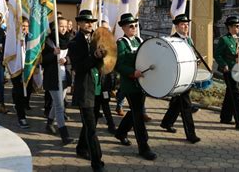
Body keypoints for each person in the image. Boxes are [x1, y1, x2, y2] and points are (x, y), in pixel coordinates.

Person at [114, 13, 157, 161]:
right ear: (124, 28)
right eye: (130, 26)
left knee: (135, 110)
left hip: (141, 84)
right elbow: (118, 65)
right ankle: (144, 147)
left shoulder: (140, 40)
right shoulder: (121, 43)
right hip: (130, 85)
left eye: (135, 25)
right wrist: (133, 72)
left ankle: (120, 132)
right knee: (138, 115)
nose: (134, 28)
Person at [68, 10, 106, 172]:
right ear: (79, 23)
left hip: (98, 87)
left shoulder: (97, 39)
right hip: (85, 89)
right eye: (85, 21)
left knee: (91, 122)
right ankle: (97, 162)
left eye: (91, 21)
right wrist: (95, 56)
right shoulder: (74, 42)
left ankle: (80, 148)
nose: (89, 24)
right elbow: (79, 67)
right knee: (91, 128)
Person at [160, 14, 201, 143]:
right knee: (186, 105)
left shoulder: (189, 40)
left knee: (178, 103)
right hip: (178, 78)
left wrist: (196, 61)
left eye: (187, 24)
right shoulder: (172, 40)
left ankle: (166, 123)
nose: (186, 26)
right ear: (176, 26)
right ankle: (191, 134)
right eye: (183, 24)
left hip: (188, 76)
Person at [215, 16, 239, 130]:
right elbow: (217, 55)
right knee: (236, 95)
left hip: (238, 70)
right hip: (228, 70)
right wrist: (223, 64)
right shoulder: (224, 39)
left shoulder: (238, 39)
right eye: (236, 26)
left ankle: (225, 117)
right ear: (230, 27)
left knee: (230, 93)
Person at [42, 17, 74, 145]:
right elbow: (42, 61)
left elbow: (72, 57)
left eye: (65, 26)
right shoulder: (48, 41)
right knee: (60, 107)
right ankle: (64, 135)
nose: (64, 28)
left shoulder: (70, 40)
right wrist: (53, 55)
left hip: (64, 77)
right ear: (55, 27)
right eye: (61, 25)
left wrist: (67, 60)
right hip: (53, 78)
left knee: (57, 104)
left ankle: (49, 124)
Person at [11, 17, 30, 129]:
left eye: (27, 26)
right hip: (16, 69)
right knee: (19, 91)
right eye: (23, 26)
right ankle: (21, 117)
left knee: (27, 91)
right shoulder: (13, 38)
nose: (25, 28)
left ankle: (21, 106)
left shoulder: (31, 38)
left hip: (28, 68)